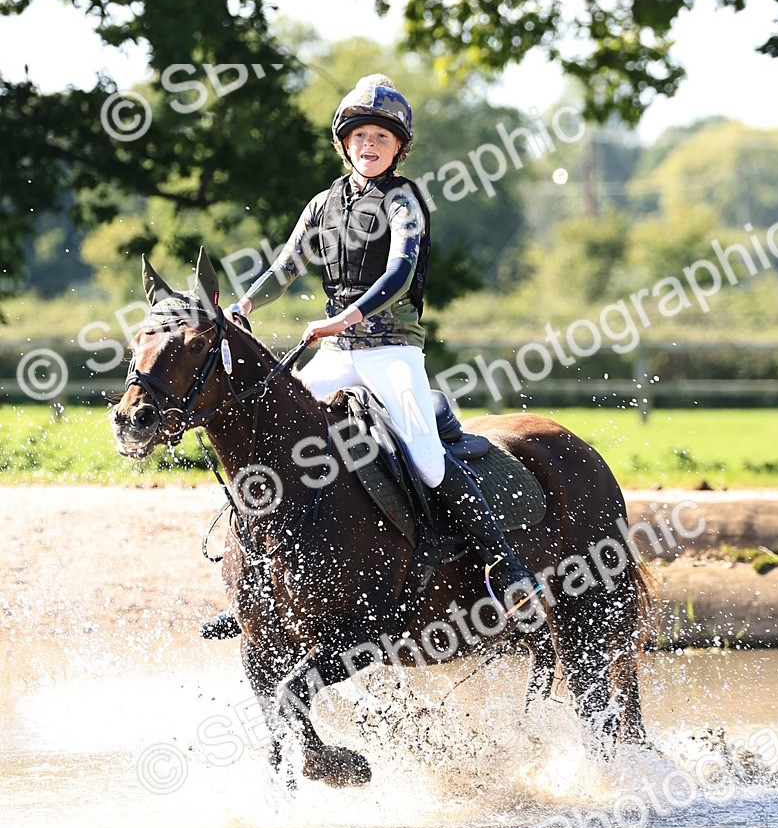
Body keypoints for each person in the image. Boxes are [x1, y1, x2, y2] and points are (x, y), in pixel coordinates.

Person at [201, 74, 537, 639]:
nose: (371, 145)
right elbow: (286, 266)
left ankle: (503, 563)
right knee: (276, 438)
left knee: (428, 458)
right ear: (345, 144)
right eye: (361, 136)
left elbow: (400, 272)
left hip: (391, 352)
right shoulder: (322, 204)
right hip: (337, 353)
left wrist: (343, 318)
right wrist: (246, 304)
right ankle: (260, 585)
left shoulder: (404, 201)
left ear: (398, 147)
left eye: (382, 136)